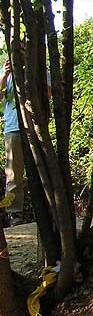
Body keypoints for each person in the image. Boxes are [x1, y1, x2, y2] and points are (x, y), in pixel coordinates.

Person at [1, 59, 24, 226]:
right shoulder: (5, 73)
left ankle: (50, 209)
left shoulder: (39, 68)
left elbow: (48, 94)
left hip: (35, 128)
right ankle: (15, 214)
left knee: (42, 170)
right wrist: (5, 75)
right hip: (12, 127)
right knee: (13, 174)